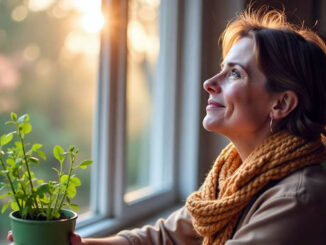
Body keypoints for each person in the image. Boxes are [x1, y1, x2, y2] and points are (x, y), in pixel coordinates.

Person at [8, 6, 326, 245]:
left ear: (281, 104)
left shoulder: (297, 199)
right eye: (221, 69)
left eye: (235, 74)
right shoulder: (234, 175)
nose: (208, 83)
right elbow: (166, 237)